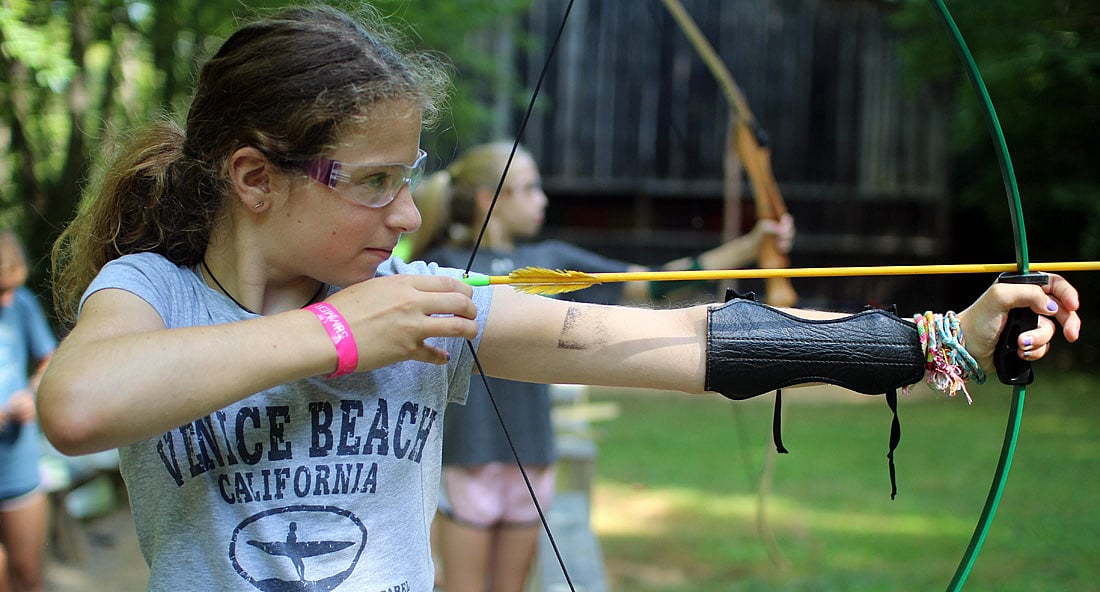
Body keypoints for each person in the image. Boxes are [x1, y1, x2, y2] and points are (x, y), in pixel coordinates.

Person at [34, 5, 1080, 592]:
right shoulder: (153, 292)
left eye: (415, 175)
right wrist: (338, 333)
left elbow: (667, 339)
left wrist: (934, 336)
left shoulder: (422, 304)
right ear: (254, 178)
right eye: (372, 182)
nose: (406, 216)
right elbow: (79, 407)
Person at [411, 140, 794, 592]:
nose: (544, 199)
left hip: (532, 456)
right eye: (531, 188)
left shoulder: (551, 262)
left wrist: (752, 245)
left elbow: (653, 283)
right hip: (467, 457)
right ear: (489, 198)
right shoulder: (446, 269)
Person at [0, 231, 56, 592]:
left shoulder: (20, 304)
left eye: (11, 290)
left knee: (28, 573)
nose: (7, 301)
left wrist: (32, 393)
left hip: (16, 459)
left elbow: (48, 360)